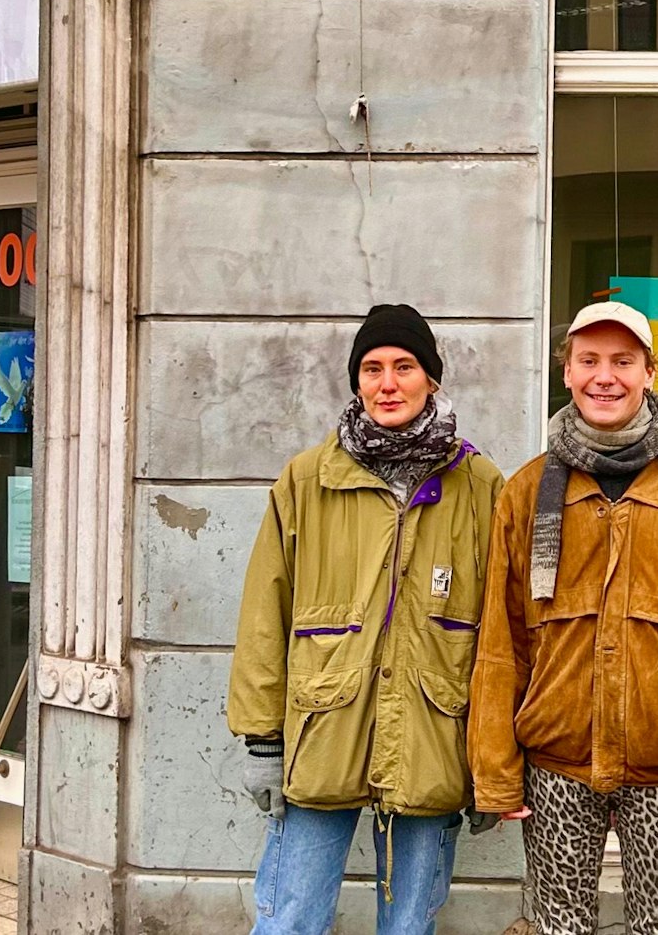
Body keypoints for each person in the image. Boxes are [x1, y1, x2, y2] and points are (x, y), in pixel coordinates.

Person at [468, 301, 658, 935]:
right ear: (567, 373)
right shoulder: (525, 493)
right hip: (556, 761)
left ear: (650, 373)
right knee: (557, 926)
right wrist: (496, 770)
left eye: (623, 362)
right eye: (589, 361)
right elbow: (501, 642)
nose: (606, 377)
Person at [229, 304, 504, 935]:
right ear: (356, 381)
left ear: (431, 378)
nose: (388, 384)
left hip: (435, 741)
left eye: (404, 367)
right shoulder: (308, 480)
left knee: (410, 925)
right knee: (290, 918)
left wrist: (494, 761)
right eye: (372, 368)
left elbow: (504, 634)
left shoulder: (479, 484)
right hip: (321, 737)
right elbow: (265, 614)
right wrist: (263, 743)